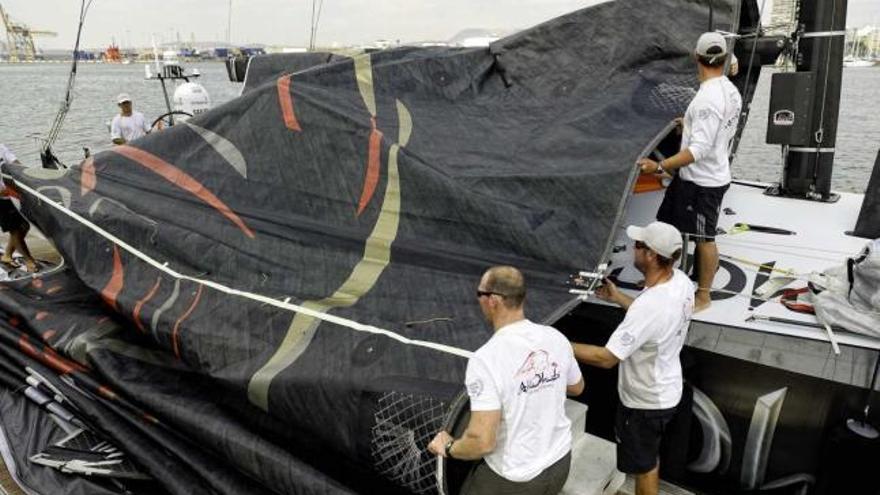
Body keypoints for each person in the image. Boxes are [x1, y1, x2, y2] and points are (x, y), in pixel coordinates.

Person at [428, 266, 584, 495]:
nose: (479, 300)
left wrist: (449, 446)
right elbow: (577, 387)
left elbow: (482, 442)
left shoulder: (486, 359)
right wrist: (540, 384)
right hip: (559, 462)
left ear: (493, 301)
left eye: (480, 294)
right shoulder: (556, 338)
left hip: (513, 479)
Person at [572, 222, 693, 495]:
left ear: (650, 255)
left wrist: (557, 343)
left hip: (644, 403)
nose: (632, 248)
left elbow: (606, 358)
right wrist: (618, 297)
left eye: (638, 245)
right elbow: (654, 323)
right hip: (667, 389)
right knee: (649, 456)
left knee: (644, 466)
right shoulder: (681, 283)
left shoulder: (651, 306)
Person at [637, 32, 743, 312]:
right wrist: (690, 124)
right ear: (722, 59)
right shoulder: (730, 90)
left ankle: (703, 296)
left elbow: (698, 151)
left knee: (704, 238)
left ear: (696, 57)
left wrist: (659, 166)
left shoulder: (707, 99)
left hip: (704, 182)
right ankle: (663, 279)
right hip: (697, 177)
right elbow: (715, 129)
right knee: (665, 225)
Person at [0, 144, 38, 273]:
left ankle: (7, 255)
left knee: (25, 225)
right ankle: (29, 260)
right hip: (2, 198)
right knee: (15, 229)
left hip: (13, 193)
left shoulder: (1, 147)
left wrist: (27, 176)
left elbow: (16, 164)